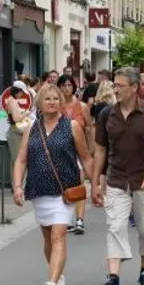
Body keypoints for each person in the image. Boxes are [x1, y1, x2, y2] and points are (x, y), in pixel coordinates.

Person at [91, 67, 144, 285]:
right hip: (117, 179)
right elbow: (100, 150)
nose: (115, 89)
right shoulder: (107, 114)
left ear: (134, 88)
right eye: (115, 85)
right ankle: (113, 279)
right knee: (115, 226)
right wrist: (96, 182)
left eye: (120, 85)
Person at [13, 84, 93, 285]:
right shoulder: (32, 128)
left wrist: (95, 184)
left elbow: (86, 158)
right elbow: (21, 160)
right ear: (39, 102)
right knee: (48, 237)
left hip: (64, 190)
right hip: (39, 190)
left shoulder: (72, 126)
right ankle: (59, 275)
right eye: (47, 98)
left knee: (59, 235)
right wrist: (18, 186)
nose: (51, 102)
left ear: (61, 102)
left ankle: (51, 281)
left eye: (55, 99)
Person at [57, 74, 93, 235]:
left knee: (78, 183)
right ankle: (66, 217)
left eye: (69, 85)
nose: (66, 88)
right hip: (60, 151)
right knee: (62, 185)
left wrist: (90, 149)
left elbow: (89, 128)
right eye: (63, 85)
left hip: (79, 150)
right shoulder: (55, 106)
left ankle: (79, 219)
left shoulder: (82, 106)